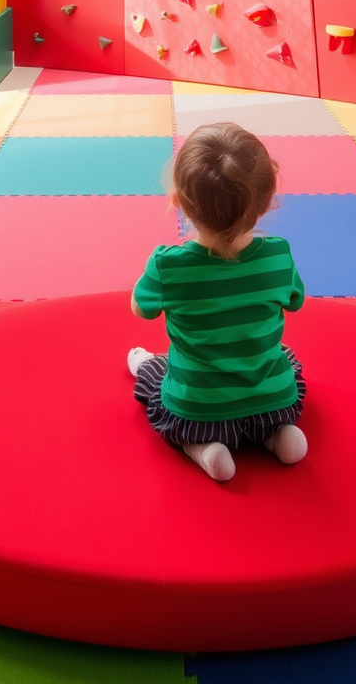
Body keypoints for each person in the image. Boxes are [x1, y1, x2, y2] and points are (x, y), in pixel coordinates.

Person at [128, 122, 307, 482]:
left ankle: (204, 449)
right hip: (274, 402)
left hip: (197, 411)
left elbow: (140, 308)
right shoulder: (277, 255)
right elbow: (295, 302)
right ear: (265, 203)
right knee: (283, 356)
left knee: (154, 371)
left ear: (179, 202)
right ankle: (279, 436)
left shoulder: (168, 265)